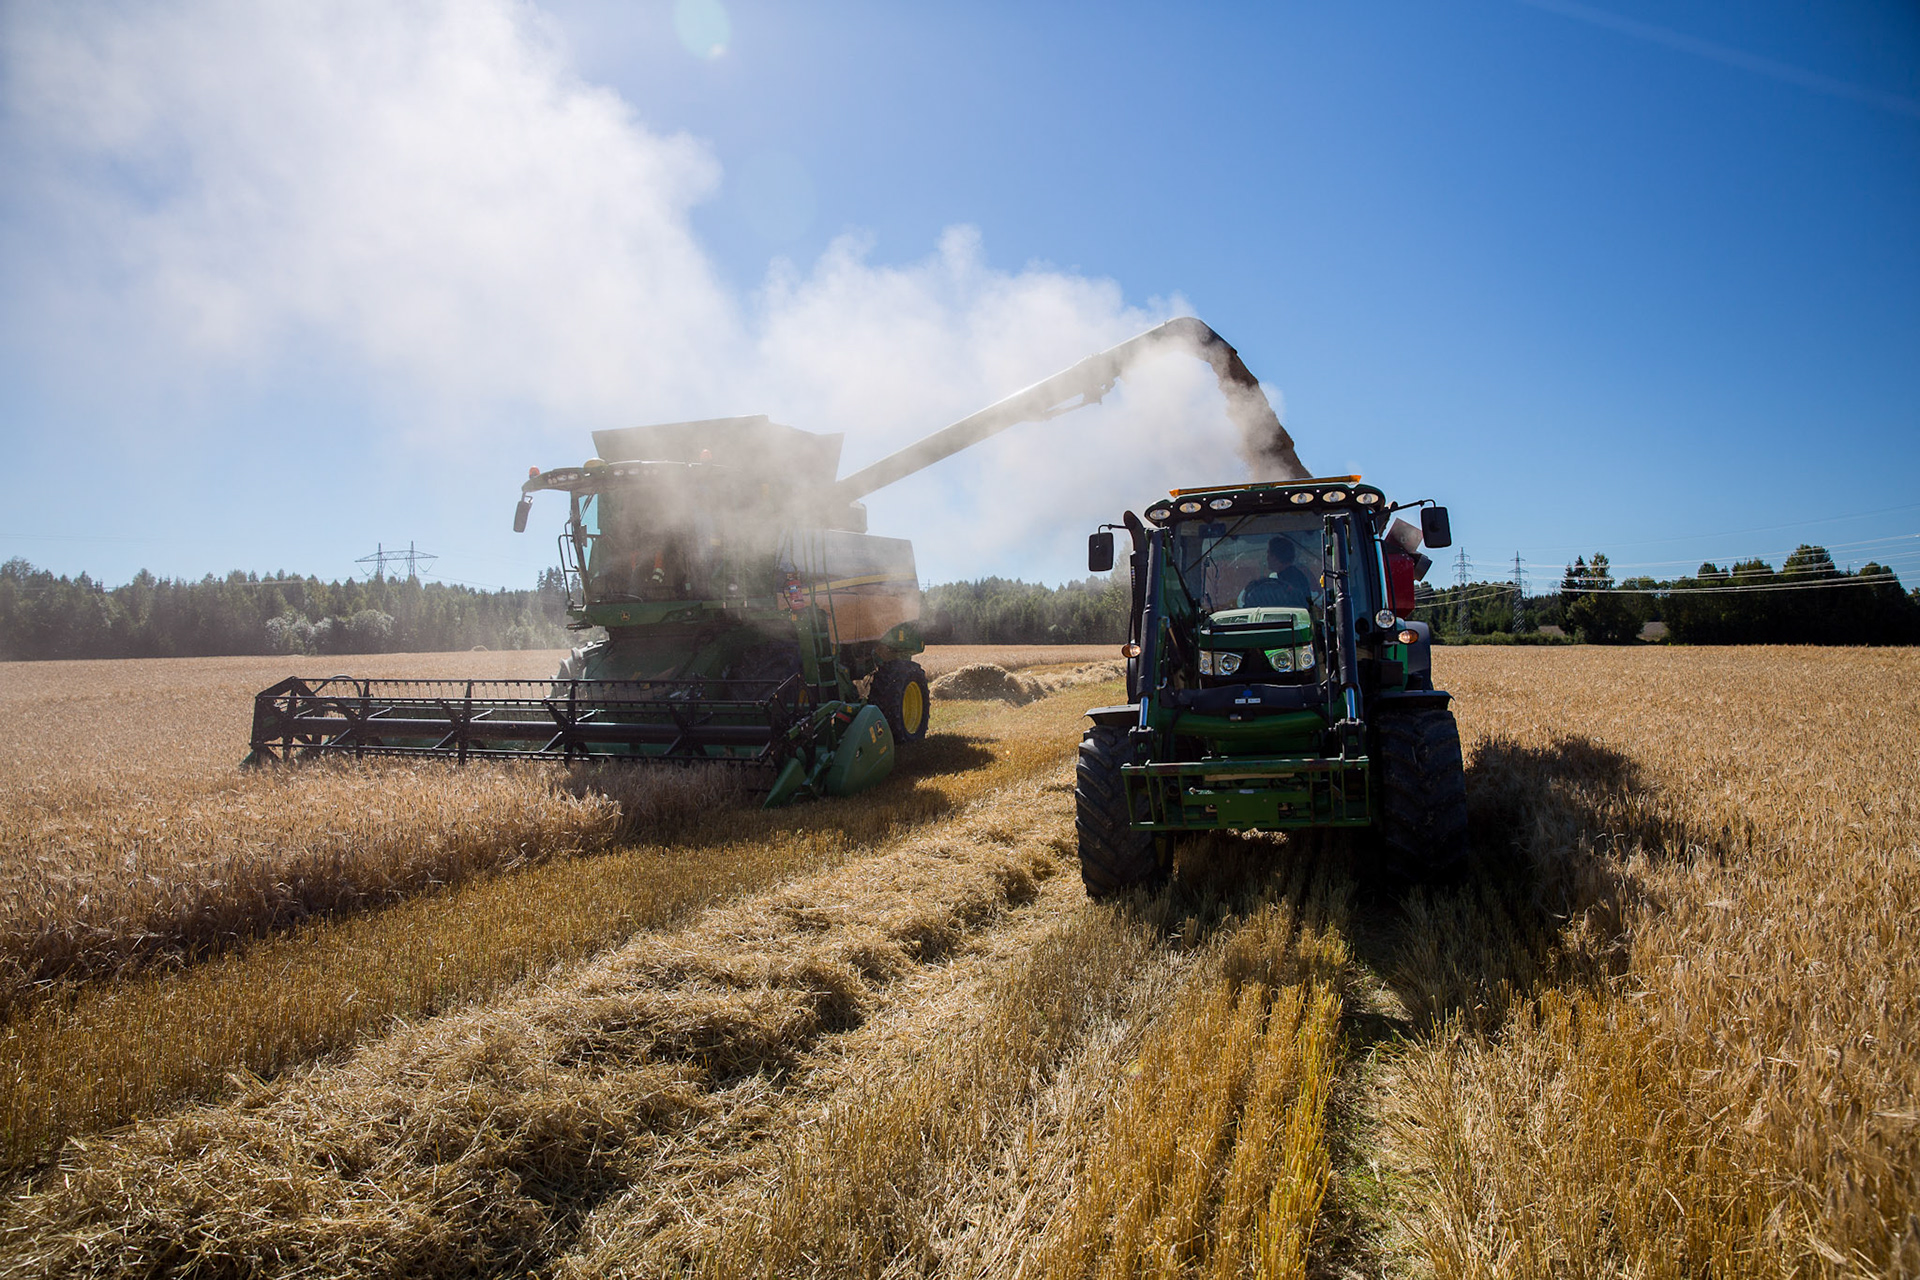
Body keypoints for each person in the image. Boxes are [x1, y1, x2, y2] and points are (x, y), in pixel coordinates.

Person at [1238, 536, 1312, 608]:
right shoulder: (1290, 576)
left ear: (1276, 557)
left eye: (1269, 554)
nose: (1267, 558)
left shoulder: (1294, 579)